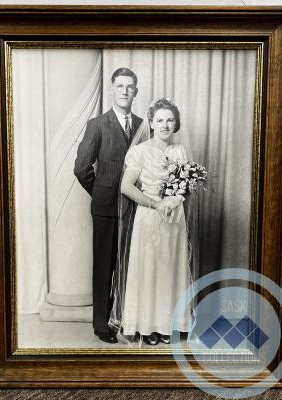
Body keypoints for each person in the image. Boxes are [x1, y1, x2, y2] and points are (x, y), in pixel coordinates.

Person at [109, 98, 193, 346]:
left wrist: (175, 198)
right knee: (149, 270)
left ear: (175, 123)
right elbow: (125, 187)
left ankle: (168, 325)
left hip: (174, 219)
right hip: (149, 216)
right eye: (160, 120)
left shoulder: (180, 151)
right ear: (151, 124)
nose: (165, 125)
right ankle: (147, 327)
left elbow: (186, 187)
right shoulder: (140, 151)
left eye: (170, 120)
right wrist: (157, 204)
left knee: (170, 269)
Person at [74, 68, 142, 344]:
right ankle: (101, 324)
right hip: (106, 208)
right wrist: (101, 193)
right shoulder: (97, 124)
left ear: (135, 91)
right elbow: (81, 169)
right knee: (105, 264)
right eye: (120, 86)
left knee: (130, 263)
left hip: (136, 208)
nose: (125, 91)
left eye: (130, 86)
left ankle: (126, 317)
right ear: (112, 89)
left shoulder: (142, 124)